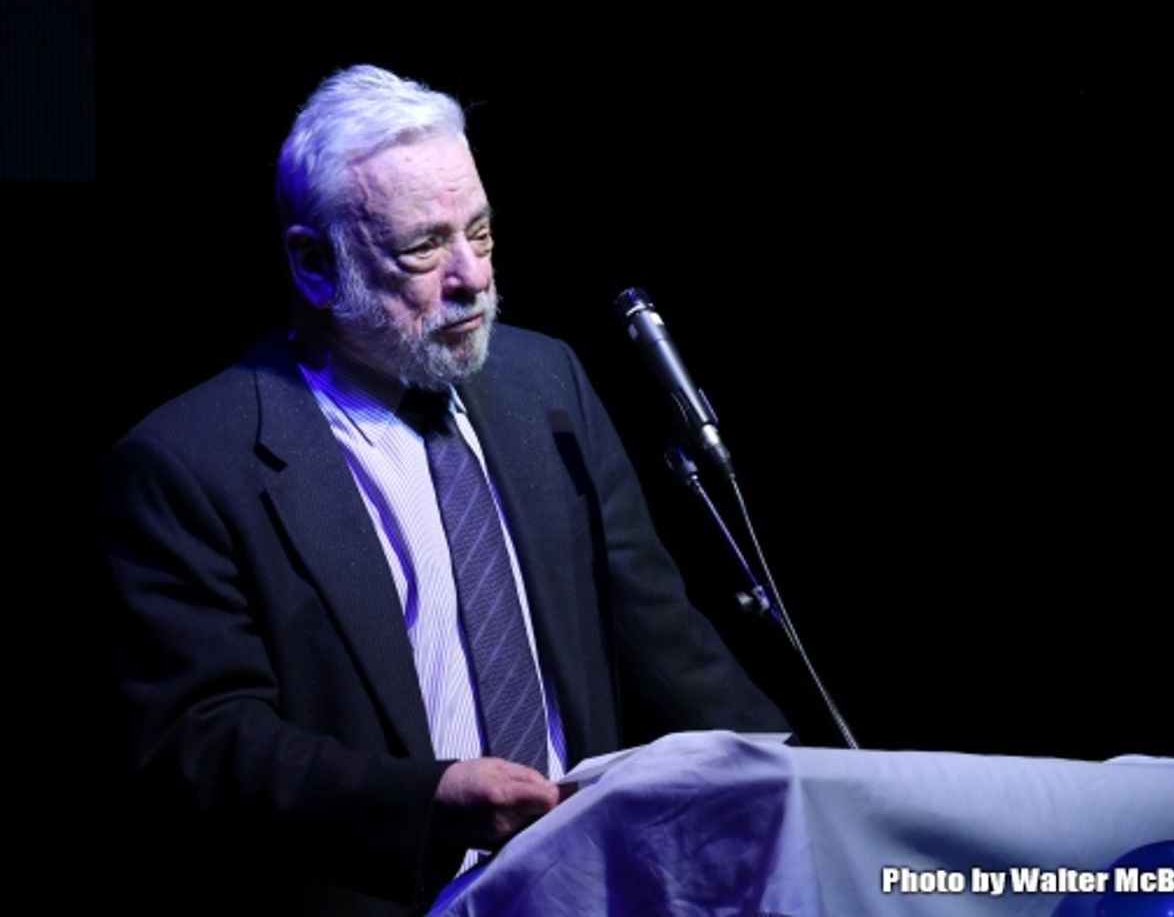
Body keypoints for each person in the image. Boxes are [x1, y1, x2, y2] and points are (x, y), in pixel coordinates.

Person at [102, 64, 790, 915]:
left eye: (483, 232)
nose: (471, 278)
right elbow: (201, 743)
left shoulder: (549, 383)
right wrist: (429, 800)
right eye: (425, 246)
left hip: (593, 886)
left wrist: (805, 784)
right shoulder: (191, 462)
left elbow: (661, 636)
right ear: (315, 264)